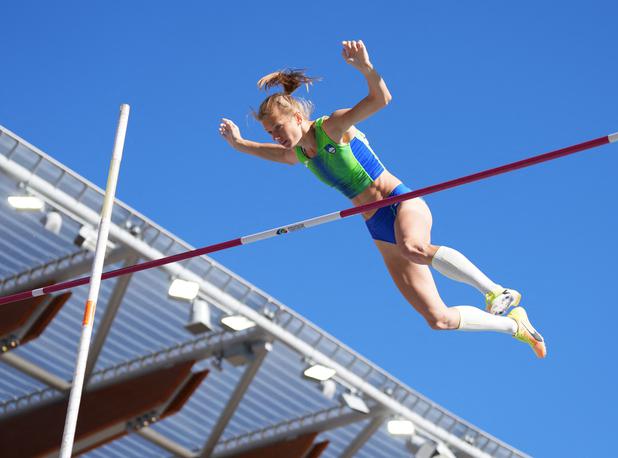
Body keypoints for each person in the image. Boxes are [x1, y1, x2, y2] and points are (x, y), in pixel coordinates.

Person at [219, 40, 546, 358]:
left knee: (415, 248)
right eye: (270, 132)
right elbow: (273, 154)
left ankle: (495, 291)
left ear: (298, 118)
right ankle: (515, 327)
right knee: (438, 319)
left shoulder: (331, 127)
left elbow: (381, 99)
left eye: (277, 127)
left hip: (399, 201)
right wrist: (238, 144)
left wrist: (366, 68)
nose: (275, 136)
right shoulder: (301, 154)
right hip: (377, 226)